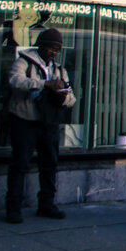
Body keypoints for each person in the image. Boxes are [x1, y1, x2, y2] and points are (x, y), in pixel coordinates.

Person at [5, 27, 77, 223]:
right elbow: (15, 80)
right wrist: (44, 84)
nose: (52, 52)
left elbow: (71, 97)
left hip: (49, 121)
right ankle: (13, 208)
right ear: (41, 46)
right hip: (25, 120)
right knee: (20, 164)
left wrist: (62, 97)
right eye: (50, 48)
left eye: (56, 49)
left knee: (49, 164)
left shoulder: (59, 69)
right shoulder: (24, 61)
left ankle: (46, 204)